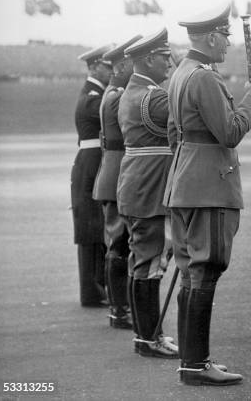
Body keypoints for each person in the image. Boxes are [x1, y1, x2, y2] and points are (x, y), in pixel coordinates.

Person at [164, 2, 251, 385]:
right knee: (205, 271)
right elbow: (230, 132)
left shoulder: (181, 72)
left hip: (185, 184)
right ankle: (196, 365)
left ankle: (193, 361)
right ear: (210, 36)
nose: (228, 42)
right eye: (225, 35)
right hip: (208, 187)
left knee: (192, 273)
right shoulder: (204, 78)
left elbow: (176, 135)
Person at [117, 28, 178, 358]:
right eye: (166, 58)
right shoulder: (154, 97)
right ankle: (148, 339)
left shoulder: (133, 91)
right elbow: (188, 109)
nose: (170, 63)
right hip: (149, 190)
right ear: (150, 59)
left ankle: (146, 336)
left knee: (140, 263)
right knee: (150, 264)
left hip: (136, 187)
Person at [93, 35, 142, 329]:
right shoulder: (117, 97)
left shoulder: (112, 93)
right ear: (121, 65)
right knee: (119, 245)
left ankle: (120, 307)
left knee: (119, 244)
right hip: (116, 175)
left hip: (112, 173)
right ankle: (120, 310)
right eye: (131, 64)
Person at [72, 45, 113, 307]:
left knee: (96, 228)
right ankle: (92, 291)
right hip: (91, 165)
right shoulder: (92, 97)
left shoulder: (93, 93)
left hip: (91, 164)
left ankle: (96, 288)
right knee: (90, 230)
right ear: (96, 66)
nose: (111, 71)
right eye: (108, 66)